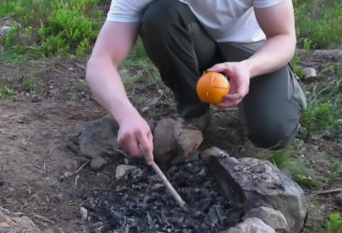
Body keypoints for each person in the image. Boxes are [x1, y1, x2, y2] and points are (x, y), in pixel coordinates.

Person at [85, 0, 307, 167]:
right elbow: (100, 62)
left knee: (273, 133)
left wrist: (248, 68)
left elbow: (284, 36)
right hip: (193, 39)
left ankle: (284, 87)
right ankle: (195, 113)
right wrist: (127, 116)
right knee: (159, 16)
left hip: (249, 47)